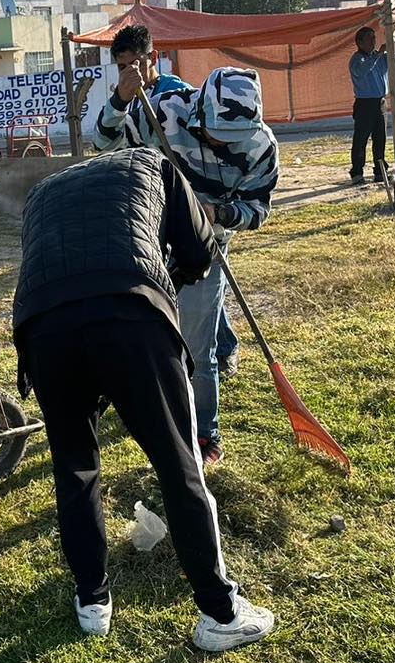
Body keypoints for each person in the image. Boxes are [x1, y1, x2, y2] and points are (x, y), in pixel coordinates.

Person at [13, 147, 276, 650]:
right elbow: (199, 252)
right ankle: (220, 614)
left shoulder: (43, 191)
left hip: (43, 326)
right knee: (179, 464)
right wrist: (161, 282)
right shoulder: (156, 164)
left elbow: (49, 263)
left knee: (75, 467)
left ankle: (92, 602)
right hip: (131, 316)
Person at [94, 25, 278, 466]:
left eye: (229, 139)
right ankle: (147, 390)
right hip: (156, 237)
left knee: (196, 345)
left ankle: (203, 434)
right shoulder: (167, 110)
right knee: (155, 323)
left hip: (207, 247)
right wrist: (120, 99)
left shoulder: (261, 150)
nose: (219, 143)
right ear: (201, 111)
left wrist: (220, 214)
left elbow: (257, 210)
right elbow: (103, 144)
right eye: (213, 134)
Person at [348, 26, 389, 185]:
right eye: (369, 38)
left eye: (374, 38)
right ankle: (357, 172)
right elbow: (362, 71)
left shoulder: (377, 58)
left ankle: (380, 170)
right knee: (361, 139)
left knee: (380, 138)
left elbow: (392, 63)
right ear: (360, 42)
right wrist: (379, 54)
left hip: (379, 102)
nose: (373, 41)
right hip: (365, 104)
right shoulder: (357, 59)